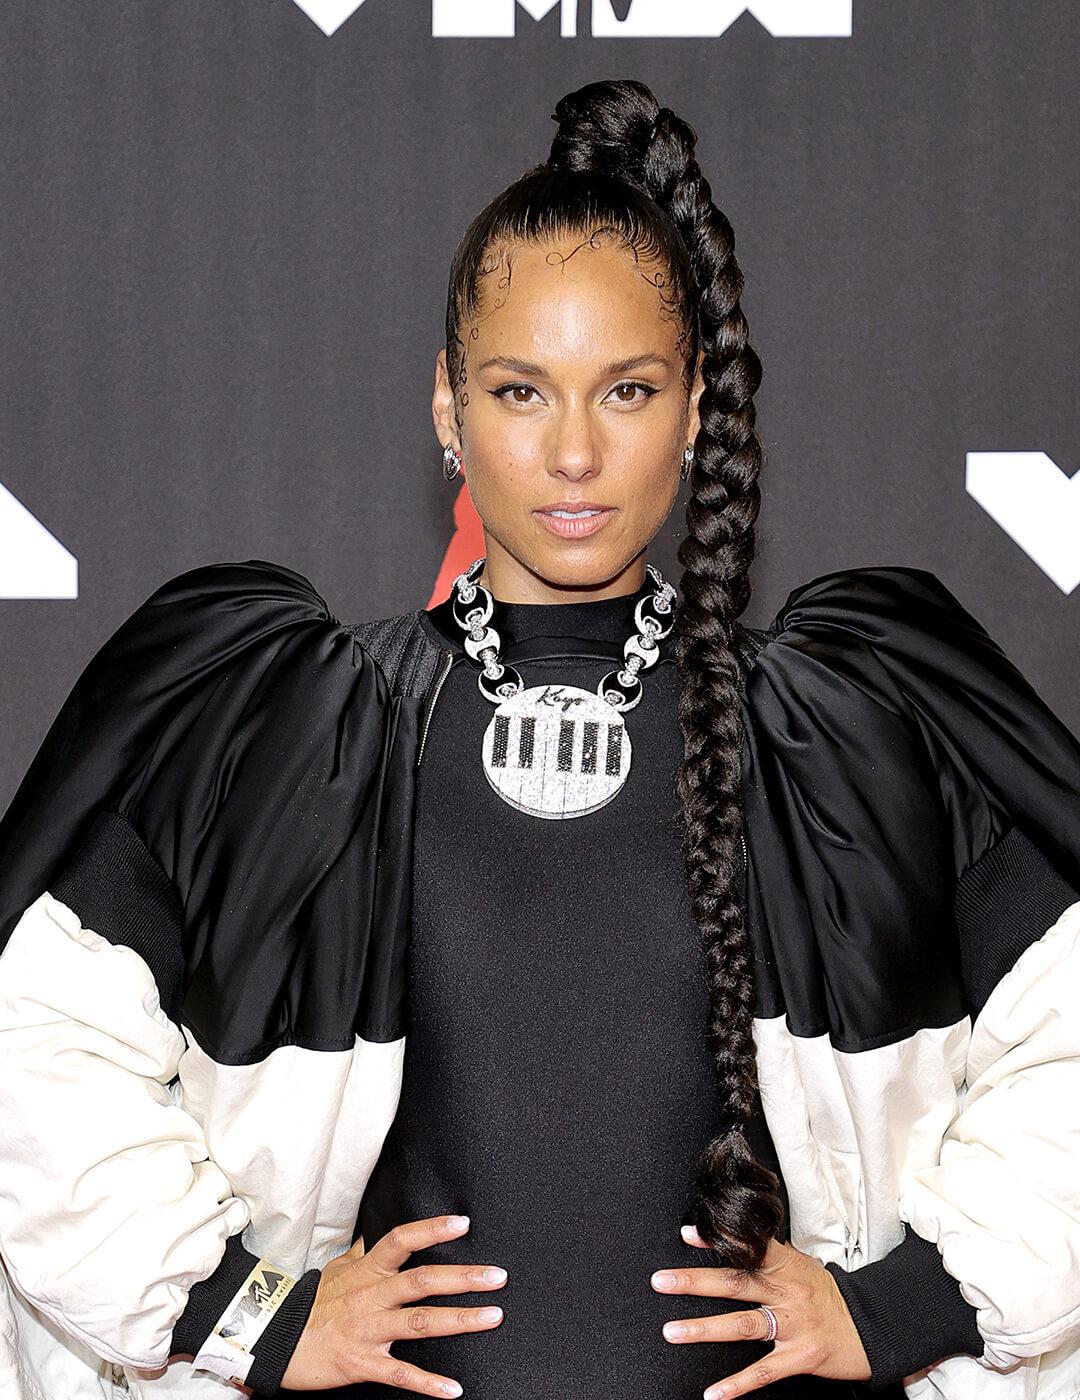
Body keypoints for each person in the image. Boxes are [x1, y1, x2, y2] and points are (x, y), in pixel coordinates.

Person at [0, 76, 1078, 1400]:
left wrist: (913, 1300)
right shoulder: (280, 733)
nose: (574, 452)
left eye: (626, 390)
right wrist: (255, 1311)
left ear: (695, 412)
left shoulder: (849, 732)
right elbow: (33, 1040)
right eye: (522, 391)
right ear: (449, 408)